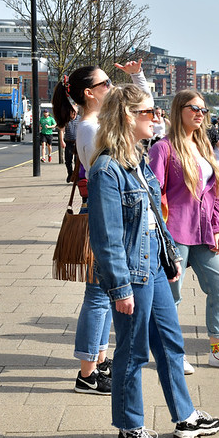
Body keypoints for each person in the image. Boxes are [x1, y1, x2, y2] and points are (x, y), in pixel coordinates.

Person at [88, 83, 219, 438]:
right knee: (132, 351)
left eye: (158, 111)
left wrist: (171, 255)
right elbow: (107, 238)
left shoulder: (138, 160)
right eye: (150, 112)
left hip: (154, 264)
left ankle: (184, 416)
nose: (158, 117)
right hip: (131, 270)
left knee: (169, 342)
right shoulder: (108, 170)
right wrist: (120, 288)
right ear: (128, 117)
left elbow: (153, 215)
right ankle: (129, 426)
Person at [51, 60, 151, 395]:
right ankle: (87, 373)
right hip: (104, 213)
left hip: (107, 212)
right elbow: (113, 171)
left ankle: (99, 361)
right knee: (97, 294)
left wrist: (136, 78)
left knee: (104, 293)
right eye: (106, 83)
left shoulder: (92, 123)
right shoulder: (91, 128)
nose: (111, 87)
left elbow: (143, 111)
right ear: (89, 93)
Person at [149, 90, 219, 374]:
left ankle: (217, 350)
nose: (200, 114)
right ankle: (170, 352)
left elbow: (217, 192)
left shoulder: (203, 145)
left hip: (204, 233)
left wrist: (218, 227)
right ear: (179, 110)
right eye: (194, 108)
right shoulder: (163, 149)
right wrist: (162, 236)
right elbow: (155, 195)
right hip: (175, 232)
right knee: (171, 296)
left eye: (203, 110)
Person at [62, 107, 78, 182]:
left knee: (77, 160)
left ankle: (75, 176)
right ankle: (70, 174)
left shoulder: (80, 119)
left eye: (72, 112)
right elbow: (62, 130)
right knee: (68, 160)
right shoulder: (66, 119)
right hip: (68, 142)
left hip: (77, 142)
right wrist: (62, 141)